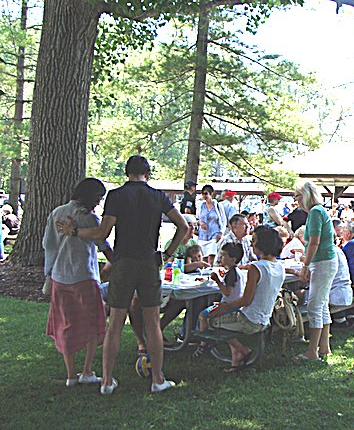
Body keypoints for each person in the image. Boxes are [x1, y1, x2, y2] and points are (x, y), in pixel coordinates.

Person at [57, 155, 189, 394]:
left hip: (123, 261)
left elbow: (103, 231)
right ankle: (157, 379)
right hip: (150, 261)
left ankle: (107, 381)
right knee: (153, 324)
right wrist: (167, 254)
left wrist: (73, 231)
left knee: (116, 323)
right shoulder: (158, 196)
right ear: (147, 174)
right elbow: (184, 226)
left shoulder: (116, 196)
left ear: (127, 173)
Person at [44, 178, 112, 388]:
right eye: (98, 198)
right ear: (91, 197)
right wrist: (118, 261)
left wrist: (48, 272)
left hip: (60, 277)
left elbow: (49, 245)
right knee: (93, 322)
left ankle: (71, 374)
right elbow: (103, 244)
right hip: (84, 276)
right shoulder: (89, 219)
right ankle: (87, 370)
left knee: (66, 323)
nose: (99, 203)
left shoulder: (57, 213)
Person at [208, 226, 285, 371]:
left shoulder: (256, 268)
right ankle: (236, 357)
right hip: (265, 319)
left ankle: (242, 350)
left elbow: (246, 300)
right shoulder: (279, 267)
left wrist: (225, 307)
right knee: (224, 316)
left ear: (263, 243)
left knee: (210, 319)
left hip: (249, 320)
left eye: (254, 240)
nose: (251, 244)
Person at [295, 180, 338, 361]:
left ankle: (312, 351)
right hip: (326, 261)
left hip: (323, 263)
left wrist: (305, 266)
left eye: (297, 195)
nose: (296, 199)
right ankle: (324, 348)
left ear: (305, 196)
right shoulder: (320, 211)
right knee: (322, 305)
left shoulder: (314, 212)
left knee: (314, 306)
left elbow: (314, 242)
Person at [195, 242, 246, 356]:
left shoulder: (231, 274)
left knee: (203, 315)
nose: (221, 258)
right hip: (235, 304)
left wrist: (217, 280)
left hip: (229, 306)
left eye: (224, 256)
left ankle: (204, 343)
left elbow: (228, 292)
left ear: (232, 259)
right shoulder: (237, 272)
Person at [198, 184, 227, 266]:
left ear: (211, 194)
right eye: (203, 194)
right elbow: (198, 218)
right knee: (203, 255)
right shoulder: (201, 205)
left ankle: (210, 268)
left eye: (206, 193)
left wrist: (221, 232)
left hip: (214, 233)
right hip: (203, 234)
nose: (204, 196)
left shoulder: (217, 205)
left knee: (211, 254)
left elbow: (223, 220)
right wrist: (201, 223)